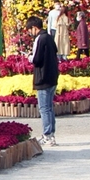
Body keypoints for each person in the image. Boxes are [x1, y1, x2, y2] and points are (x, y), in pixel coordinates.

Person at [28, 16, 59, 146]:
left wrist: (29, 57)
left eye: (30, 30)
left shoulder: (40, 39)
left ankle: (47, 135)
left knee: (44, 108)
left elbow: (37, 59)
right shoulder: (49, 37)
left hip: (43, 78)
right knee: (49, 108)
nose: (30, 33)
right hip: (52, 77)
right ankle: (51, 134)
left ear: (35, 28)